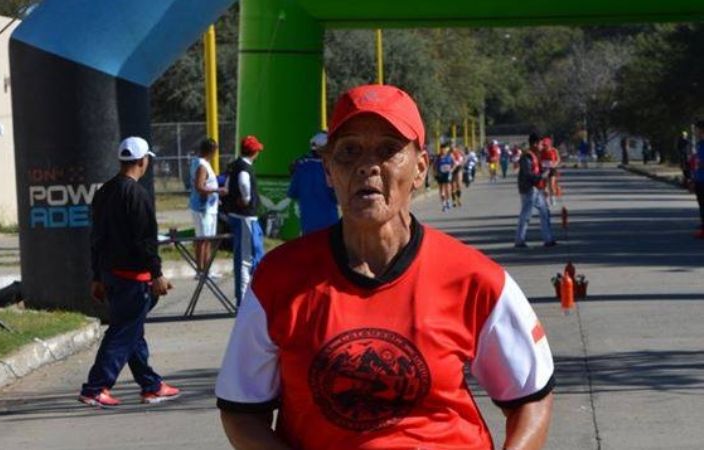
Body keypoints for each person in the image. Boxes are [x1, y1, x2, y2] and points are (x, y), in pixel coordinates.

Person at [215, 84, 554, 450]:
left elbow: (531, 398)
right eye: (349, 151)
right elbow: (242, 411)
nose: (367, 166)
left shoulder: (476, 279)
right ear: (328, 169)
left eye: (388, 150)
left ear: (421, 167)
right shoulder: (278, 279)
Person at [80, 136, 178, 407]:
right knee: (123, 331)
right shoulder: (137, 195)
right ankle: (95, 388)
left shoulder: (104, 192)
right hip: (133, 278)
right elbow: (145, 240)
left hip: (110, 274)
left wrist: (97, 276)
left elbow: (96, 238)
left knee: (132, 331)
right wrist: (156, 273)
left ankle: (151, 385)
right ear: (141, 161)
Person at [223, 135, 265, 305]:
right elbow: (244, 182)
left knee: (253, 255)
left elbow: (226, 186)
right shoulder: (244, 168)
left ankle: (251, 296)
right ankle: (243, 300)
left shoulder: (235, 166)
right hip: (244, 218)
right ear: (254, 152)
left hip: (243, 218)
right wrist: (246, 199)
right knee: (245, 260)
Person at [287, 131, 339, 235]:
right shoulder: (331, 168)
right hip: (329, 224)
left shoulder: (301, 167)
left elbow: (293, 193)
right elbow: (337, 197)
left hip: (307, 224)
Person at [189, 138, 225, 275]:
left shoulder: (203, 163)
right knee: (202, 239)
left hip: (209, 207)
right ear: (212, 151)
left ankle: (207, 269)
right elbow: (199, 186)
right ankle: (201, 270)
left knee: (207, 239)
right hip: (202, 208)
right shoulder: (202, 165)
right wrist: (217, 191)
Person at [516, 133, 557, 248]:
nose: (542, 146)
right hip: (529, 189)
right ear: (534, 144)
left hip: (536, 189)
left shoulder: (535, 155)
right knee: (526, 215)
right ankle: (519, 240)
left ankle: (548, 239)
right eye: (540, 144)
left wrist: (548, 170)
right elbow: (528, 174)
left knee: (545, 212)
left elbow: (537, 170)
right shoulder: (526, 157)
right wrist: (541, 176)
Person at [540, 137, 561, 207]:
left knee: (551, 185)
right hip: (544, 169)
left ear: (549, 144)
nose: (545, 146)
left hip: (552, 169)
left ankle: (552, 197)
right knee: (544, 186)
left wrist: (555, 164)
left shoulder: (554, 150)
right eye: (544, 145)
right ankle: (546, 200)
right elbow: (538, 160)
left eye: (546, 145)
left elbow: (558, 159)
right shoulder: (541, 151)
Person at [435, 144, 455, 212]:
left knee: (448, 189)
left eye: (444, 149)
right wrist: (435, 173)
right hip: (440, 174)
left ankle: (448, 201)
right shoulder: (438, 157)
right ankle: (443, 204)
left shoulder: (449, 156)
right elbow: (434, 167)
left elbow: (454, 164)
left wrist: (451, 170)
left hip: (447, 174)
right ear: (440, 149)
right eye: (442, 149)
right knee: (441, 190)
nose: (443, 150)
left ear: (446, 150)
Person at [693, 121, 704, 239]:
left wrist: (700, 164)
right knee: (701, 204)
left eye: (696, 130)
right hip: (699, 178)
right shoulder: (699, 144)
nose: (695, 132)